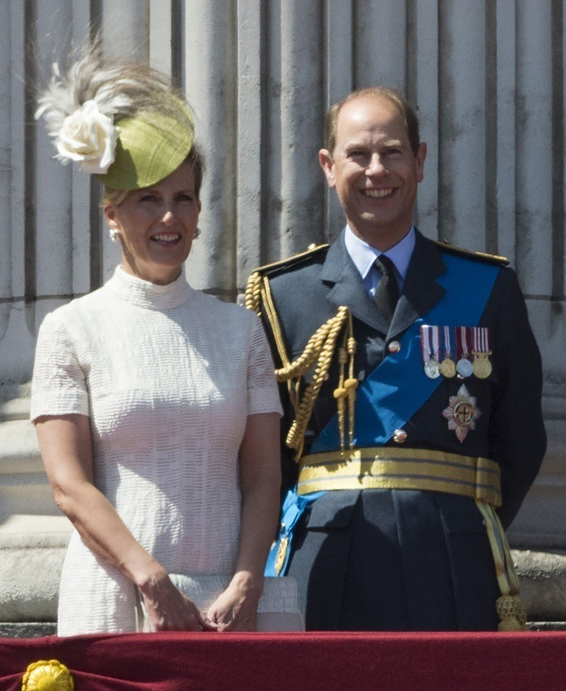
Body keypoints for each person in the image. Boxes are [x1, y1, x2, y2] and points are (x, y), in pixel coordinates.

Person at [246, 86, 546, 632]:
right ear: (328, 167)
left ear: (420, 161)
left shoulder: (486, 287)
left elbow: (521, 438)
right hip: (324, 560)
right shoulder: (282, 295)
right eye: (358, 154)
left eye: (392, 152)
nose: (376, 170)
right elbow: (264, 453)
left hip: (454, 560)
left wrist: (462, 526)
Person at [31, 46, 300, 635]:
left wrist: (248, 580)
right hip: (114, 602)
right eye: (148, 199)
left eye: (182, 199)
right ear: (112, 214)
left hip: (227, 608)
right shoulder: (71, 328)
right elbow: (69, 486)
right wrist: (150, 578)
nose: (169, 217)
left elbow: (263, 477)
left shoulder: (241, 330)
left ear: (199, 212)